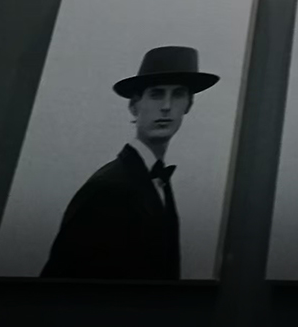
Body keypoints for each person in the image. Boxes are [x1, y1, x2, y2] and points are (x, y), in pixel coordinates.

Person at [40, 46, 218, 279]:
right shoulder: (108, 188)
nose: (166, 106)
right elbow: (58, 282)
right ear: (134, 105)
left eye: (178, 94)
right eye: (156, 94)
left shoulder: (157, 181)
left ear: (189, 105)